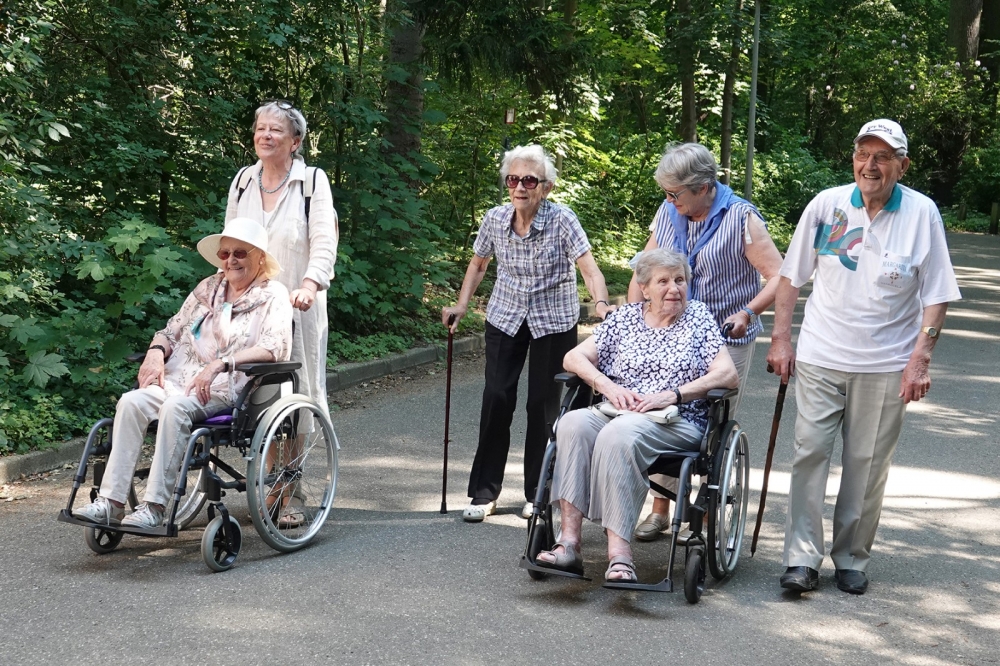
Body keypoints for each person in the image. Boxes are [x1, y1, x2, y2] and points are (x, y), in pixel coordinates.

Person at [767, 119, 962, 595]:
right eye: (863, 154)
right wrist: (780, 339)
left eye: (882, 156)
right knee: (809, 452)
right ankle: (801, 558)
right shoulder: (825, 206)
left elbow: (936, 294)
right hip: (820, 352)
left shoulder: (922, 213)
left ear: (902, 164)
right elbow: (792, 277)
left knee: (867, 461)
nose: (869, 166)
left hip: (886, 362)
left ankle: (851, 557)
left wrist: (920, 360)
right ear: (852, 158)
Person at [73, 218, 293, 528]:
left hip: (224, 390)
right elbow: (172, 330)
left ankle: (154, 507)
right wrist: (154, 352)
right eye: (225, 254)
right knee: (131, 402)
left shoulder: (274, 295)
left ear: (260, 256)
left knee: (175, 409)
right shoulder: (208, 288)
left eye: (240, 253)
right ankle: (111, 502)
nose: (231, 260)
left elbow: (274, 347)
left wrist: (221, 363)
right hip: (178, 381)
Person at [534, 248, 739, 581]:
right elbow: (574, 358)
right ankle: (569, 543)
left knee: (619, 434)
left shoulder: (698, 317)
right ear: (644, 288)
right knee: (571, 424)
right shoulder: (625, 318)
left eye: (680, 280)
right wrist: (607, 385)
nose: (674, 288)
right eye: (663, 281)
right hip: (617, 409)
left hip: (678, 419)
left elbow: (728, 375)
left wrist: (674, 394)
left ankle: (619, 554)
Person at [442, 144, 614, 523]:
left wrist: (600, 305)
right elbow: (478, 264)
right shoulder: (495, 218)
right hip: (506, 314)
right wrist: (461, 305)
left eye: (529, 180)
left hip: (553, 317)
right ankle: (484, 492)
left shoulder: (563, 220)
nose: (520, 186)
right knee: (497, 396)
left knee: (543, 404)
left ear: (547, 187)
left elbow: (589, 269)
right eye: (513, 179)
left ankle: (540, 492)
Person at [628, 143, 783, 542]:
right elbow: (643, 270)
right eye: (666, 193)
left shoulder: (740, 218)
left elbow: (780, 276)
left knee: (710, 427)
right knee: (663, 412)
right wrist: (632, 316)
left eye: (675, 193)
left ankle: (703, 513)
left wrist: (747, 311)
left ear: (703, 186)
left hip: (724, 336)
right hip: (670, 333)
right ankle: (660, 508)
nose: (669, 200)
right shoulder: (668, 213)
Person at [225, 100, 338, 438]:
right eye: (261, 128)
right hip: (247, 307)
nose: (266, 135)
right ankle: (260, 473)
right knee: (246, 386)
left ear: (295, 142)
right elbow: (228, 241)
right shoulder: (243, 180)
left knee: (296, 390)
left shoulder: (312, 182)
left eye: (276, 130)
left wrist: (309, 285)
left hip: (295, 306)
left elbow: (323, 242)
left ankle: (290, 479)